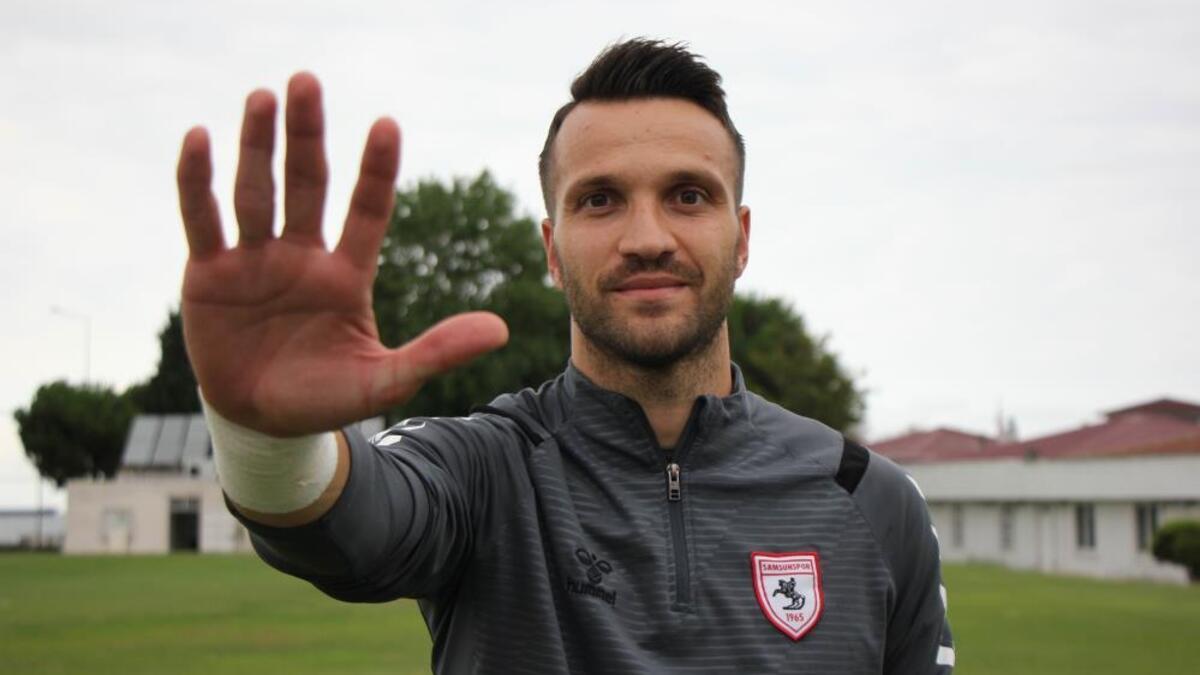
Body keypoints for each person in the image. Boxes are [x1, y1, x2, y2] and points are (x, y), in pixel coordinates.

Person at [176, 39, 955, 674]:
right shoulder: (487, 471)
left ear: (741, 237)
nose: (647, 237)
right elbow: (353, 527)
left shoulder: (869, 498)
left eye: (688, 195)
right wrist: (265, 436)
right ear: (552, 248)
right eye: (600, 199)